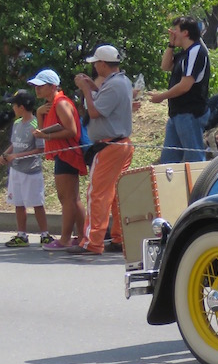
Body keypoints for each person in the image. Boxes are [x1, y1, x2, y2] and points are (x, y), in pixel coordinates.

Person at [64, 44, 135, 256]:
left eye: (96, 63)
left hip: (109, 145)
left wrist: (86, 89)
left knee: (97, 194)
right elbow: (105, 101)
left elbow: (94, 112)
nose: (95, 67)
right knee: (115, 194)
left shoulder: (113, 85)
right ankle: (119, 236)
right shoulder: (121, 82)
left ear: (103, 64)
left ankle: (92, 242)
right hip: (121, 143)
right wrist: (92, 87)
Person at [29, 68, 86, 250]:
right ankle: (83, 236)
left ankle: (65, 239)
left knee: (67, 198)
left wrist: (47, 137)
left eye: (41, 86)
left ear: (53, 86)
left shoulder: (60, 103)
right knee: (72, 198)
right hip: (63, 154)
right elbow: (42, 131)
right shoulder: (51, 105)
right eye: (36, 86)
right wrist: (39, 114)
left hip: (67, 154)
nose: (37, 89)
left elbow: (72, 131)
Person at [151, 16, 210, 164]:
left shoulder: (196, 51)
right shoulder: (184, 53)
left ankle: (199, 187)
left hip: (189, 113)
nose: (172, 33)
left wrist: (162, 96)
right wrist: (170, 45)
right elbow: (165, 66)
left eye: (175, 30)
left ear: (185, 33)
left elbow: (185, 85)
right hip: (177, 114)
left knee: (194, 158)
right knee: (168, 161)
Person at [1, 89, 52, 247]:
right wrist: (6, 154)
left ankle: (45, 235)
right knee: (19, 203)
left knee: (37, 203)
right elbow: (14, 144)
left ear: (21, 107)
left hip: (31, 171)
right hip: (16, 171)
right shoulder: (17, 124)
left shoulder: (35, 125)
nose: (13, 109)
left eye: (14, 106)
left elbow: (40, 149)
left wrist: (17, 156)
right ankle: (22, 235)